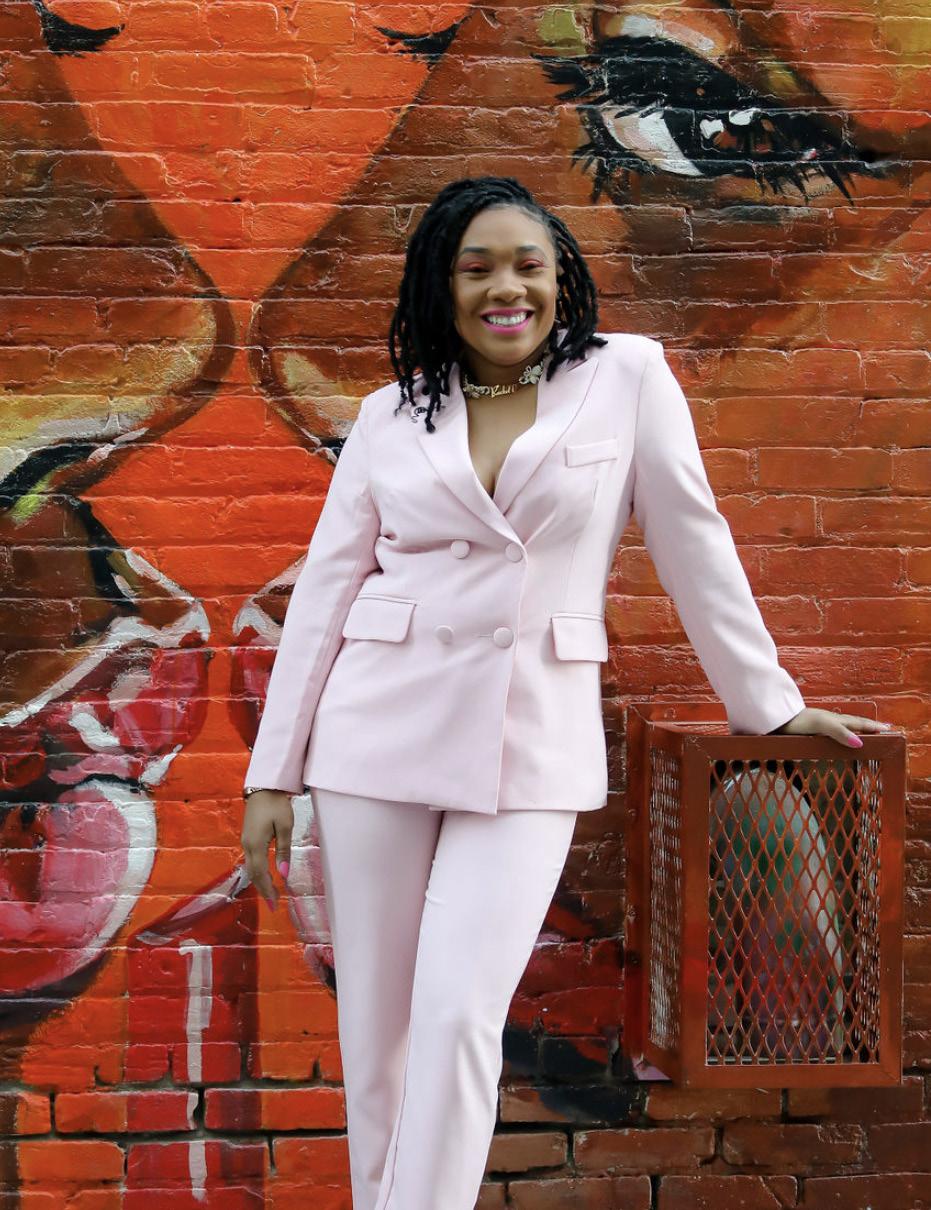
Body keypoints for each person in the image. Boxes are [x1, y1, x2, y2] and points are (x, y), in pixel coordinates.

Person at [239, 176, 891, 1210]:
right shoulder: (388, 415)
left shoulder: (625, 376)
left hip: (530, 738)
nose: (505, 288)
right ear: (441, 286)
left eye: (527, 266)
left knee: (458, 1015)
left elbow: (692, 540)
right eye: (477, 269)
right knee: (377, 1032)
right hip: (373, 737)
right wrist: (271, 773)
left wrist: (766, 703)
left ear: (560, 277)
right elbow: (325, 591)